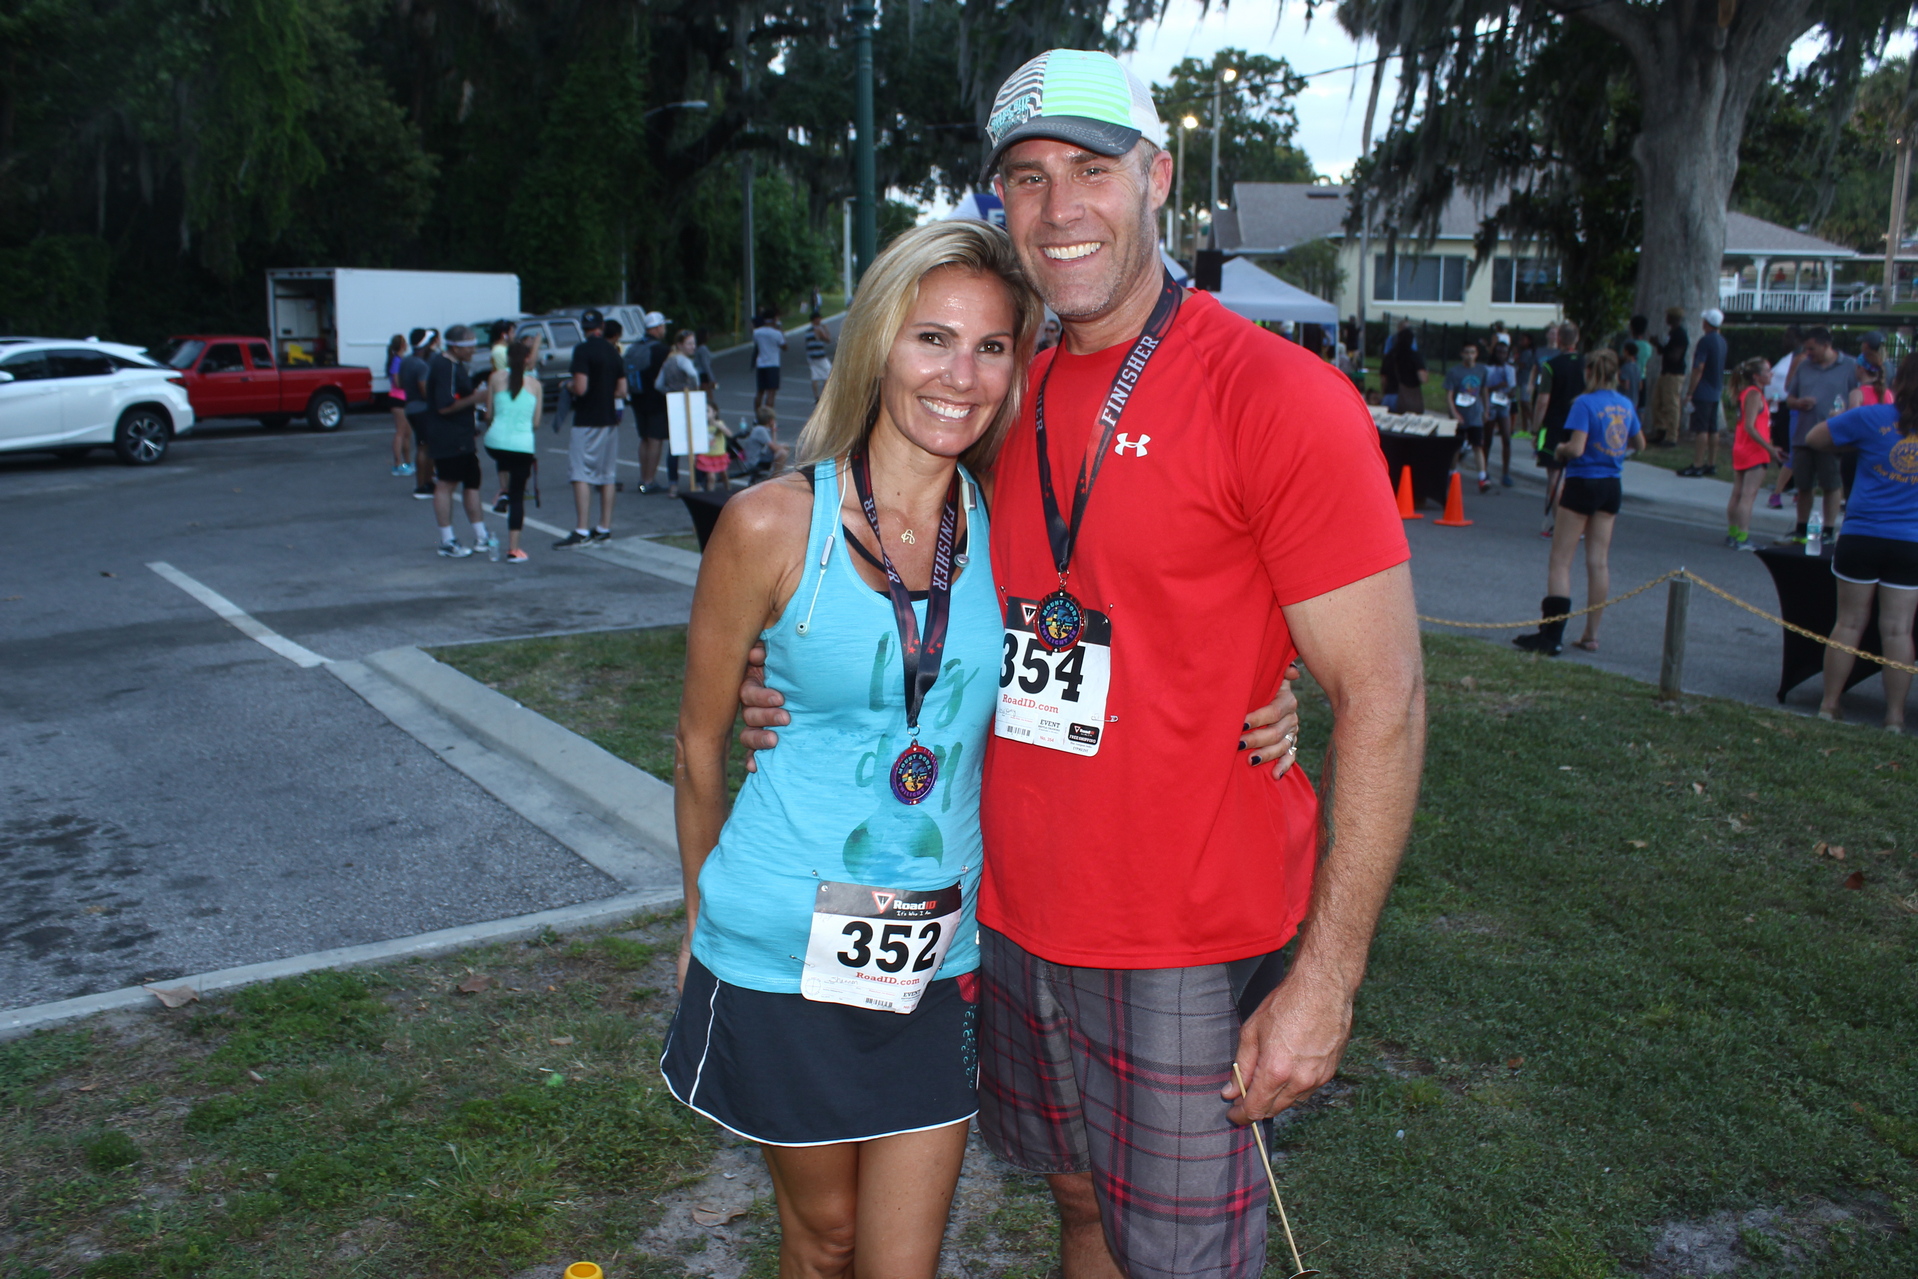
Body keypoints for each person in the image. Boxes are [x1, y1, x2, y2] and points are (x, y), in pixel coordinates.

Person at [741, 49, 1418, 1279]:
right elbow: (907, 577)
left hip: (1183, 935)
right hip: (1003, 910)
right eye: (1027, 177)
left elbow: (1385, 696)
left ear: (1155, 178)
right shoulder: (996, 393)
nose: (1060, 208)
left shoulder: (1279, 395)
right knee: (1080, 1207)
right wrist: (784, 676)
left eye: (1091, 170)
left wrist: (1326, 980)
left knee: (1183, 1256)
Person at [664, 221, 1042, 1279]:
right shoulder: (770, 525)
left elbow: (1133, 631)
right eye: (933, 339)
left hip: (938, 950)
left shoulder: (1009, 525)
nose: (960, 376)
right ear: (879, 344)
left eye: (991, 347)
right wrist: (695, 913)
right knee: (822, 1239)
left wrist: (1272, 694)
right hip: (780, 941)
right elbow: (698, 743)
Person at [1804, 351, 1918, 731]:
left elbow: (1815, 438)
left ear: (1899, 381)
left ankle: (1829, 704)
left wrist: (1853, 444)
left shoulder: (1871, 417)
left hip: (1862, 535)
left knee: (1849, 623)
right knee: (1898, 630)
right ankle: (1894, 717)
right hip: (1910, 540)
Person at [1513, 349, 1645, 655]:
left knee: (1561, 560)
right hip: (1611, 483)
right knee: (1598, 562)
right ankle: (1591, 634)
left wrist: (1559, 449)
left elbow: (1576, 448)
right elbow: (1639, 442)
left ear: (1589, 372)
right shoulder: (1625, 404)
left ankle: (1552, 634)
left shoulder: (1584, 404)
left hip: (1583, 482)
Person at [1782, 327, 1862, 545]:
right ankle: (1801, 528)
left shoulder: (1850, 366)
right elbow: (1789, 398)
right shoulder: (1804, 366)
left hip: (1831, 438)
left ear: (1826, 345)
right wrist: (1798, 403)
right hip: (1803, 435)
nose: (1808, 353)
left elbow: (1858, 399)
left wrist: (1844, 413)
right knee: (1804, 485)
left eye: (1812, 348)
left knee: (1831, 484)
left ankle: (1828, 530)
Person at [556, 309, 626, 549]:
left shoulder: (582, 350)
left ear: (583, 328)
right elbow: (622, 390)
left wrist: (567, 385)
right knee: (607, 475)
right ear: (602, 326)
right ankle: (604, 527)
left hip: (587, 419)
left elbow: (581, 387)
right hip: (609, 419)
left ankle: (582, 529)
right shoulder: (613, 351)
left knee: (580, 473)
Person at [426, 326, 494, 558]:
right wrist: (476, 398)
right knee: (446, 483)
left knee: (472, 481)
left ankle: (481, 535)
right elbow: (444, 406)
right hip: (448, 436)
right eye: (470, 346)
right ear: (455, 347)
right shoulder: (444, 366)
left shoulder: (456, 366)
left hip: (462, 435)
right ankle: (447, 540)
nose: (474, 350)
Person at [484, 335, 541, 563]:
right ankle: (514, 549)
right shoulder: (535, 385)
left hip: (494, 443)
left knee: (503, 454)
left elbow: (489, 415)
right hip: (522, 446)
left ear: (507, 359)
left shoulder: (495, 378)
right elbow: (536, 423)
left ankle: (503, 489)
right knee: (518, 498)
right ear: (528, 359)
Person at [1532, 321, 1586, 539]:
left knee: (1555, 475)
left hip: (1554, 424)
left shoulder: (1551, 366)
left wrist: (1536, 429)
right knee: (1578, 475)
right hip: (1581, 425)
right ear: (1577, 339)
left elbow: (1543, 401)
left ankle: (1561, 525)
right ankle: (1579, 525)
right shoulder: (1587, 364)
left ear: (1559, 339)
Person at [1724, 356, 1779, 551]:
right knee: (1748, 495)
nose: (1771, 374)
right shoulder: (1754, 395)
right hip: (1754, 451)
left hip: (1741, 448)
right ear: (1756, 376)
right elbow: (1750, 426)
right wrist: (1770, 448)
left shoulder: (1747, 393)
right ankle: (1743, 537)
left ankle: (1733, 533)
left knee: (1738, 493)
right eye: (1767, 371)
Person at [630, 311, 676, 495]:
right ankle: (649, 481)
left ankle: (643, 480)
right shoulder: (662, 350)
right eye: (663, 326)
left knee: (644, 438)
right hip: (657, 399)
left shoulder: (635, 346)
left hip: (637, 398)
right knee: (655, 439)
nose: (664, 329)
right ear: (657, 328)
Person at [1678, 307, 1728, 477]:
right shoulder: (1722, 341)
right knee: (1713, 429)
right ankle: (1711, 463)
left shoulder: (1705, 341)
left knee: (1701, 429)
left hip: (1703, 391)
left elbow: (1699, 367)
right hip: (1716, 390)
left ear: (1706, 323)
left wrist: (1690, 392)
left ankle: (1697, 464)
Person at [657, 328, 705, 491]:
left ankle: (673, 484)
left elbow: (658, 384)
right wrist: (694, 389)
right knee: (696, 443)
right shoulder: (684, 361)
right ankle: (697, 482)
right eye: (689, 343)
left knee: (675, 446)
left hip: (673, 404)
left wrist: (670, 392)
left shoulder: (668, 361)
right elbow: (693, 375)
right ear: (680, 345)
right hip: (689, 402)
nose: (693, 347)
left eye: (694, 343)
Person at [1766, 325, 1806, 510]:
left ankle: (1800, 490)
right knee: (1792, 451)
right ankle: (1778, 492)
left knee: (1806, 454)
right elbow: (1787, 385)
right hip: (1793, 409)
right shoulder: (1796, 358)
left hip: (1809, 412)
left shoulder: (1806, 360)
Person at [1444, 340, 1492, 492]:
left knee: (1478, 445)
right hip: (1460, 414)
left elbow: (1484, 391)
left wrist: (1486, 409)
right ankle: (1452, 472)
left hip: (1475, 415)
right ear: (1462, 354)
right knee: (1456, 446)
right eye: (1467, 352)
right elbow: (1449, 395)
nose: (1470, 356)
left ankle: (1482, 476)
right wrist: (1454, 413)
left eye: (1472, 352)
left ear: (1476, 354)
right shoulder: (1454, 372)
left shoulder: (1481, 370)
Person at [399, 329, 437, 499]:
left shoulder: (406, 361)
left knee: (425, 446)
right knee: (424, 447)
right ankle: (422, 486)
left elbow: (400, 383)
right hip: (422, 410)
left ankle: (427, 482)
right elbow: (424, 390)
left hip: (410, 407)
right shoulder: (421, 366)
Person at [1649, 306, 1688, 447]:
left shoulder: (1680, 335)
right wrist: (1658, 345)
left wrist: (1661, 347)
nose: (1666, 319)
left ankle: (1672, 437)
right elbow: (1664, 351)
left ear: (1674, 318)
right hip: (1665, 372)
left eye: (1668, 316)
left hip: (1674, 374)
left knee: (1671, 405)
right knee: (1657, 402)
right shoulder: (1671, 333)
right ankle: (1661, 430)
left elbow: (1674, 356)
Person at [1484, 340, 1517, 486]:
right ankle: (1484, 470)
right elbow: (1484, 389)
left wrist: (1511, 393)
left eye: (1504, 353)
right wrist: (1498, 386)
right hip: (1490, 405)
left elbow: (1513, 388)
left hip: (1504, 405)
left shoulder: (1510, 369)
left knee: (1507, 438)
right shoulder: (1488, 369)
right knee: (1488, 439)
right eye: (1499, 352)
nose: (1501, 355)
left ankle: (1505, 473)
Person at [385, 334, 415, 478]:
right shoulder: (397, 360)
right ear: (402, 345)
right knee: (400, 432)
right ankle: (397, 464)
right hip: (398, 399)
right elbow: (397, 382)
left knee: (407, 433)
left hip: (405, 399)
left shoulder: (400, 359)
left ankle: (407, 463)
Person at [1387, 319, 1427, 413]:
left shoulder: (1391, 355)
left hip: (1390, 395)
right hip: (1409, 396)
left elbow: (1383, 377)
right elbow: (1423, 378)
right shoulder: (1415, 356)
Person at [753, 309, 786, 415]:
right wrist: (780, 329)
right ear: (774, 319)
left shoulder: (757, 332)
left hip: (761, 364)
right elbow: (785, 347)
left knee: (760, 392)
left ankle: (757, 415)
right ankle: (767, 416)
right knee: (771, 392)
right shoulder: (777, 333)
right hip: (773, 364)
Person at [1513, 331, 1539, 438]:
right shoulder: (1525, 352)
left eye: (1523, 340)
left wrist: (1516, 358)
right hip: (1522, 379)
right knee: (1522, 404)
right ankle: (1524, 429)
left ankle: (1534, 426)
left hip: (1526, 379)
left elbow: (1523, 364)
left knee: (1525, 403)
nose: (1521, 342)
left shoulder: (1528, 352)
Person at [806, 312, 834, 400]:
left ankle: (816, 396)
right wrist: (826, 329)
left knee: (815, 375)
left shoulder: (808, 331)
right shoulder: (818, 329)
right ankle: (823, 395)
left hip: (811, 356)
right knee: (828, 372)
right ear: (815, 319)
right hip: (820, 356)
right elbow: (828, 339)